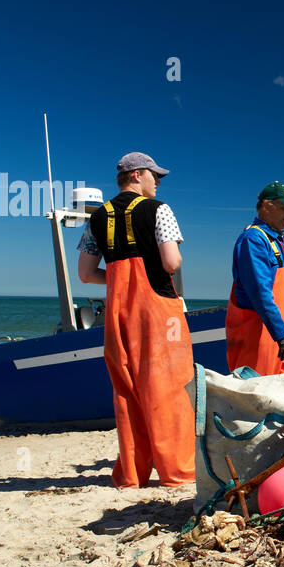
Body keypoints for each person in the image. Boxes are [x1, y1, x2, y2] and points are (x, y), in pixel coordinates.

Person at [76, 152, 194, 488]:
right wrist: (174, 255)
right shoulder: (160, 210)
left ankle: (132, 474)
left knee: (127, 391)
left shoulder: (97, 218)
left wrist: (116, 278)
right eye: (155, 176)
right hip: (158, 311)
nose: (158, 182)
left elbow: (85, 274)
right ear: (138, 175)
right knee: (169, 388)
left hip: (118, 313)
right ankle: (178, 471)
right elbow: (171, 263)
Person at [226, 181, 284, 374]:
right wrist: (281, 336)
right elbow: (260, 293)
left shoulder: (278, 240)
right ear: (266, 206)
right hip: (260, 338)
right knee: (255, 396)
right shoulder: (253, 239)